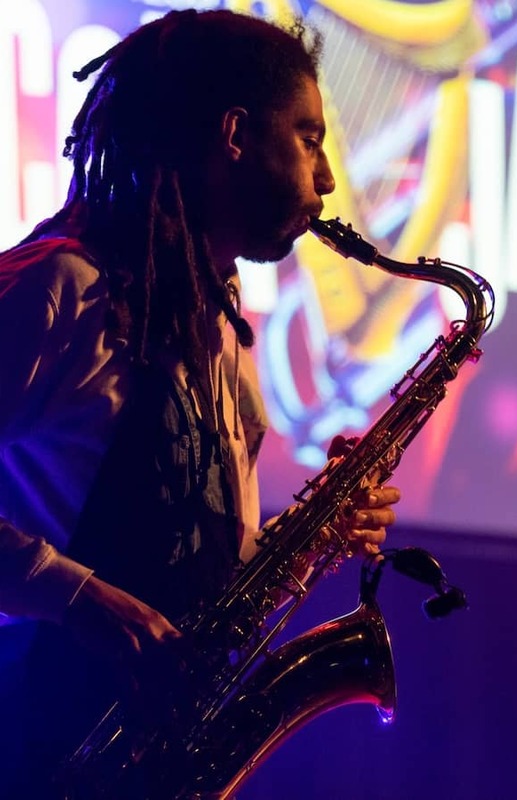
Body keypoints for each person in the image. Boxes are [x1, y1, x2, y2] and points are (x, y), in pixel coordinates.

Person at [0, 9, 400, 797]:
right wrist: (78, 599)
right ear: (234, 135)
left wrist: (308, 534)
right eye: (310, 138)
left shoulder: (218, 334)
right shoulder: (60, 288)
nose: (326, 181)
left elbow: (195, 574)